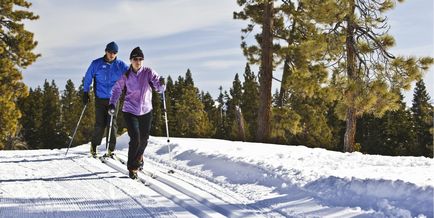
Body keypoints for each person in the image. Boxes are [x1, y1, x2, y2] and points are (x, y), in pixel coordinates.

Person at [109, 46, 165, 179]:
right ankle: (132, 167)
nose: (138, 61)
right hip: (130, 110)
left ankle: (139, 157)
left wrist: (162, 85)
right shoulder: (126, 75)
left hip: (146, 110)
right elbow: (117, 89)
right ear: (131, 60)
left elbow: (158, 87)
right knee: (135, 139)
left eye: (140, 59)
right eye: (135, 59)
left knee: (144, 140)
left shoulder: (148, 72)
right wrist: (112, 103)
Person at [82, 41, 129, 158]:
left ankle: (110, 149)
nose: (112, 54)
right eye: (110, 52)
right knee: (100, 124)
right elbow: (88, 77)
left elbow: (132, 74)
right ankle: (94, 145)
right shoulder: (96, 64)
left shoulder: (120, 65)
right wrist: (85, 91)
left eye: (114, 53)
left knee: (112, 124)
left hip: (114, 99)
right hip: (100, 98)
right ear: (106, 51)